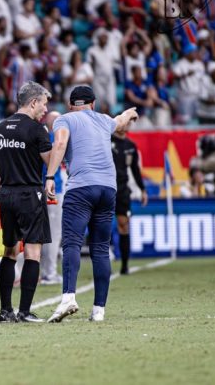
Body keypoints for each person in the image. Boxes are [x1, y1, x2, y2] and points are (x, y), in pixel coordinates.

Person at [45, 86, 139, 323]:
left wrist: (49, 176)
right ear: (93, 104)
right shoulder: (104, 120)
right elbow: (120, 121)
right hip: (108, 189)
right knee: (100, 249)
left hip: (81, 187)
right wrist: (129, 113)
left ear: (70, 105)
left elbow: (60, 143)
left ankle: (68, 297)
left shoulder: (64, 119)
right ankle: (99, 311)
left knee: (72, 244)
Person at [0, 82, 53, 323]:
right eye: (43, 104)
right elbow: (49, 160)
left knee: (10, 250)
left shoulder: (0, 128)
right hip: (30, 194)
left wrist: (2, 184)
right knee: (33, 251)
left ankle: (6, 311)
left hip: (7, 196)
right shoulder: (37, 130)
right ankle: (24, 311)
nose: (45, 109)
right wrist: (52, 175)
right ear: (33, 102)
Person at [112, 121, 147, 275]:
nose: (124, 126)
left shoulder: (130, 146)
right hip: (106, 189)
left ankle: (125, 265)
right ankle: (102, 265)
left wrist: (142, 189)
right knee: (101, 226)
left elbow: (135, 169)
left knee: (124, 225)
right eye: (122, 123)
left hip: (122, 190)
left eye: (127, 123)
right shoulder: (105, 141)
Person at [40, 111, 64, 285]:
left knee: (38, 234)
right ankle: (50, 273)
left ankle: (40, 272)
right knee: (53, 234)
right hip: (53, 189)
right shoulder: (56, 140)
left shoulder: (40, 137)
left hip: (38, 189)